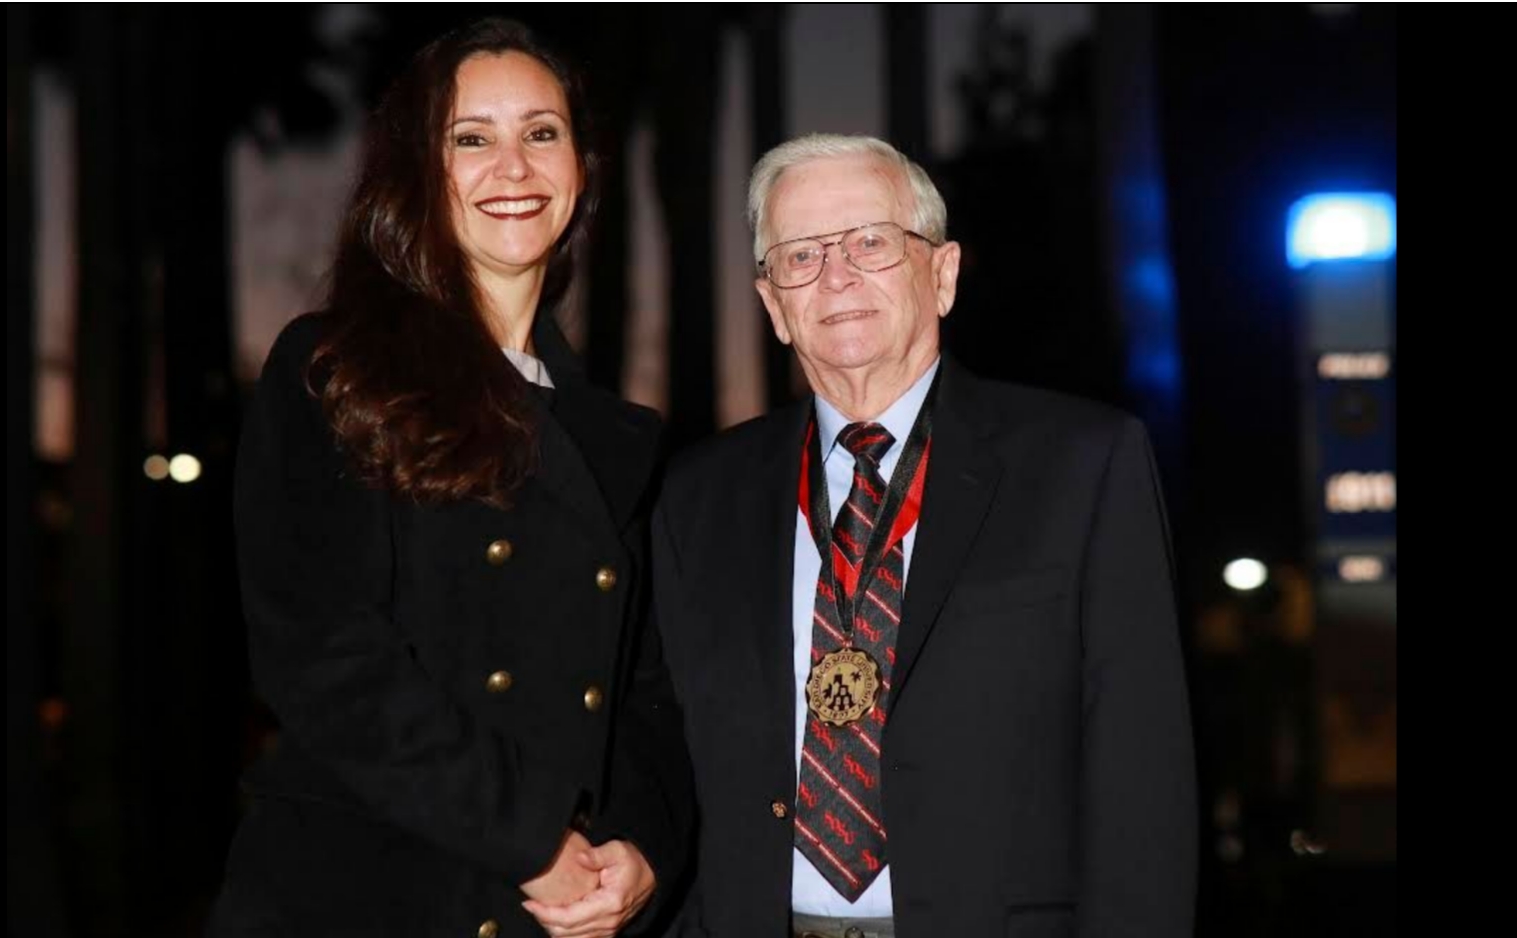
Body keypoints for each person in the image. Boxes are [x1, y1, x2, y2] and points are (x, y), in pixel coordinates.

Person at [208, 18, 691, 938]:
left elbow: (647, 691)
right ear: (419, 172)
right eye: (471, 138)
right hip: (360, 897)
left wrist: (640, 846)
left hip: (557, 911)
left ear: (581, 169)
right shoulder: (331, 370)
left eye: (541, 133)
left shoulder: (616, 436)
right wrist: (534, 841)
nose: (513, 166)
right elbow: (322, 656)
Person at [651, 133, 1196, 938]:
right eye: (800, 256)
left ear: (940, 275)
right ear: (773, 306)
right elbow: (667, 755)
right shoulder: (698, 494)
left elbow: (1144, 778)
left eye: (870, 242)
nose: (836, 276)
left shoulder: (1084, 465)